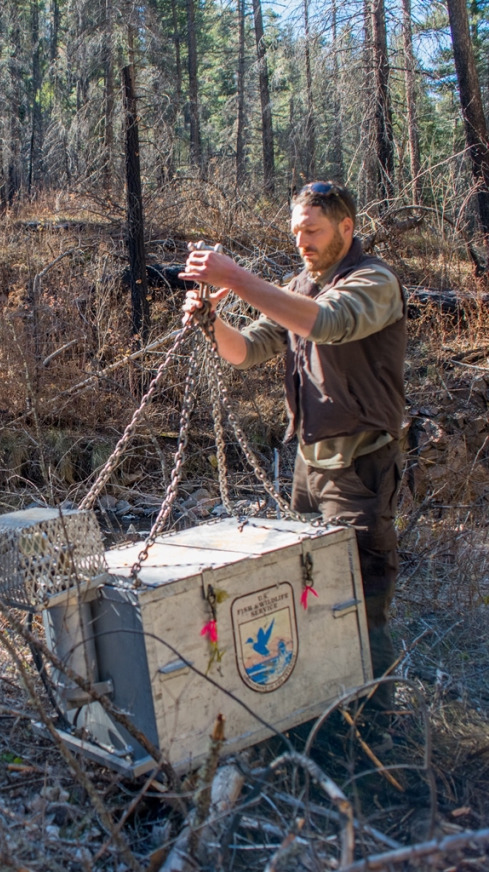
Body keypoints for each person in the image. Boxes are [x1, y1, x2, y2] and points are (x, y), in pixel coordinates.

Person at [180, 181, 405, 723]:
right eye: (296, 232)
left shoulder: (374, 282)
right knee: (311, 596)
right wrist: (214, 323)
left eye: (313, 230)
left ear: (346, 229)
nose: (302, 241)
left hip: (361, 467)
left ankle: (377, 732)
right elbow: (246, 351)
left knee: (363, 608)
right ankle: (320, 714)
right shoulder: (298, 285)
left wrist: (234, 275)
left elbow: (325, 323)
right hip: (310, 466)